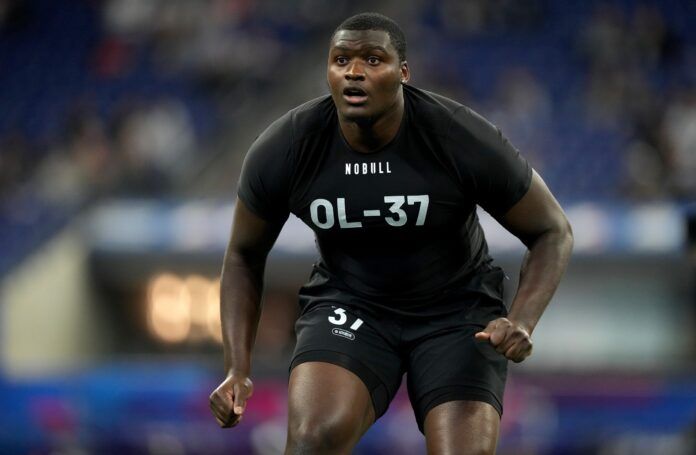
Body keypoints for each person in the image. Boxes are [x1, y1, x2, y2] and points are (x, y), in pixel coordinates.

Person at [209, 12, 573, 454]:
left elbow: (552, 230)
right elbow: (244, 254)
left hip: (456, 312)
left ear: (403, 73)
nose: (354, 71)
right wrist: (237, 368)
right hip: (351, 303)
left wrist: (521, 319)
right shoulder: (287, 146)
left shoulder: (457, 135)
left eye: (372, 59)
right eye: (340, 60)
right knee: (311, 440)